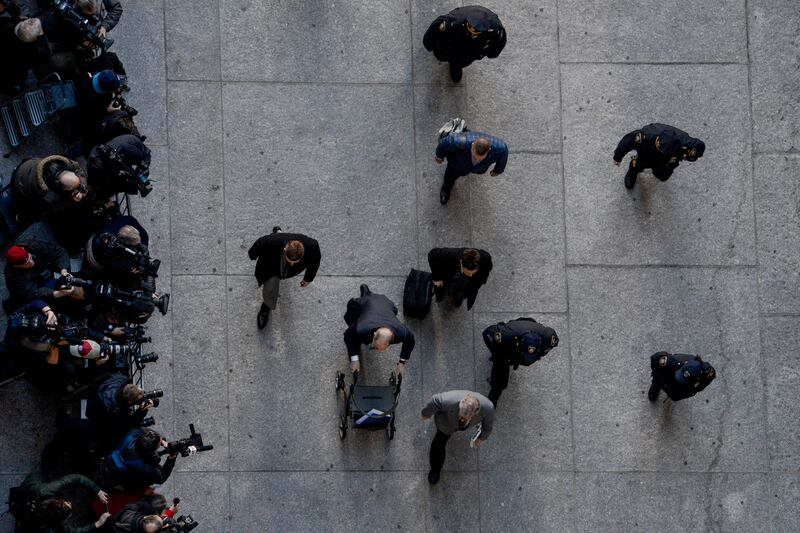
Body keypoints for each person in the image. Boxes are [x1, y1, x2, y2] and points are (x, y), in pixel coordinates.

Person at [247, 227, 321, 329]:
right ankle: (266, 306)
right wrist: (253, 255)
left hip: (281, 245)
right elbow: (257, 246)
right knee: (270, 286)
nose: (291, 263)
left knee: (281, 238)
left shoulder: (312, 246)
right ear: (285, 249)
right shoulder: (269, 242)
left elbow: (316, 261)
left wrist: (308, 278)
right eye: (289, 260)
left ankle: (279, 234)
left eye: (294, 262)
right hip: (272, 267)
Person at [421, 390, 495, 485]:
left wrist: (482, 437)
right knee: (439, 443)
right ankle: (435, 469)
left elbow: (488, 426)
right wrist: (426, 414)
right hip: (446, 423)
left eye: (465, 419)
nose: (461, 420)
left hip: (458, 421)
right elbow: (435, 401)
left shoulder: (488, 408)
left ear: (476, 412)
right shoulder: (449, 400)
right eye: (460, 416)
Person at [481, 318, 559, 406]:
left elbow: (552, 344)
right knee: (499, 378)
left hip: (530, 324)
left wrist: (540, 354)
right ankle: (491, 401)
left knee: (523, 360)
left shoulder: (548, 337)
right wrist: (498, 355)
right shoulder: (505, 335)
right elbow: (487, 333)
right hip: (511, 334)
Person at [343, 284, 415, 378]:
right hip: (367, 304)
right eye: (376, 347)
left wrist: (402, 362)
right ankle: (365, 292)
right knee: (355, 336)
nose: (378, 351)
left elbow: (410, 341)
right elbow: (347, 335)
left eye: (381, 348)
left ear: (390, 341)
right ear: (374, 335)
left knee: (369, 297)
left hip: (384, 303)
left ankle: (366, 291)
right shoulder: (362, 328)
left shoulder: (402, 332)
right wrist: (354, 359)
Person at [422, 6, 506, 82]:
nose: (472, 30)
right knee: (441, 56)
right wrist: (428, 42)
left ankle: (456, 68)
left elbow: (500, 41)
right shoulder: (454, 20)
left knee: (461, 62)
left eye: (475, 31)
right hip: (451, 44)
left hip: (470, 52)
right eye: (470, 27)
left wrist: (493, 53)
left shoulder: (495, 27)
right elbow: (436, 27)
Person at [613, 123, 706, 189]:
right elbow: (627, 142)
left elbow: (698, 147)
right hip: (648, 149)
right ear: (658, 141)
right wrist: (618, 157)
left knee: (663, 175)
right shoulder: (645, 136)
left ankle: (658, 170)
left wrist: (688, 157)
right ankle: (632, 172)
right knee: (639, 163)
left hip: (669, 157)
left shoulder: (684, 141)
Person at [14, 471, 110, 532]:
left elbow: (76, 478)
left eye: (66, 503)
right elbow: (73, 532)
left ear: (57, 502)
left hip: (29, 489)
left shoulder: (48, 490)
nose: (70, 503)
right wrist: (98, 524)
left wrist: (97, 490)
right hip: (29, 490)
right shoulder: (53, 523)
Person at [435, 129, 508, 204]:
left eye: (480, 158)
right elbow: (443, 144)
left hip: (479, 168)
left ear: (489, 150)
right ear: (473, 145)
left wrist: (498, 170)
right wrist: (439, 157)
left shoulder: (500, 149)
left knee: (476, 169)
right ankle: (446, 187)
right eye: (474, 156)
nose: (476, 159)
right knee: (450, 175)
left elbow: (504, 153)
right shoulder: (456, 141)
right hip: (456, 165)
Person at [86, 373, 157, 450]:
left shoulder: (120, 379)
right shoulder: (116, 411)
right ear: (130, 402)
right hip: (96, 417)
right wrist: (141, 412)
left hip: (94, 394)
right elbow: (127, 425)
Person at [11, 155, 88, 223]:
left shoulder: (60, 162)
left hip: (25, 167)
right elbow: (56, 208)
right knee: (37, 215)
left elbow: (77, 169)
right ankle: (20, 218)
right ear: (63, 188)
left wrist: (82, 183)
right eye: (74, 187)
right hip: (18, 189)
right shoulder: (49, 197)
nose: (78, 187)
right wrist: (72, 200)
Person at [3, 239, 73, 310]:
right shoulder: (12, 275)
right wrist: (55, 294)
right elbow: (32, 293)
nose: (31, 262)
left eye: (30, 257)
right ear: (16, 266)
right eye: (26, 264)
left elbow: (59, 252)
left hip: (45, 272)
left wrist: (64, 270)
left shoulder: (32, 245)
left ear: (23, 249)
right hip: (30, 288)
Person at [99, 428, 177, 491]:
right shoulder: (145, 467)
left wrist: (161, 440)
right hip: (127, 483)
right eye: (158, 445)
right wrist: (172, 457)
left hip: (112, 461)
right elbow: (161, 477)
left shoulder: (133, 434)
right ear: (151, 452)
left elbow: (145, 431)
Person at [87, 134, 152, 199]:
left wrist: (138, 182)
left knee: (137, 175)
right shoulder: (94, 162)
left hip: (133, 149)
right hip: (113, 157)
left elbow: (145, 156)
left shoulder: (130, 151)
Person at [427, 247, 492, 309]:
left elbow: (488, 268)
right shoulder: (450, 255)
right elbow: (432, 255)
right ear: (461, 263)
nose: (470, 275)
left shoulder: (486, 257)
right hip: (452, 274)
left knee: (462, 294)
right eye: (468, 273)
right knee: (451, 288)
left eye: (472, 272)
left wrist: (482, 281)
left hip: (469, 283)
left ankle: (458, 299)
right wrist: (437, 278)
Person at [0, 16, 50, 91]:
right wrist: (41, 35)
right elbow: (45, 58)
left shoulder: (5, 22)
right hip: (13, 74)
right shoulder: (33, 51)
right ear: (35, 39)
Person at [648, 351, 716, 402]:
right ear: (685, 364)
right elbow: (655, 358)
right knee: (659, 376)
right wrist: (658, 379)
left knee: (675, 396)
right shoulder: (672, 362)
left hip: (686, 385)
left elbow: (699, 387)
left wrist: (685, 393)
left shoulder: (707, 375)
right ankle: (656, 384)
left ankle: (673, 393)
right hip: (672, 372)